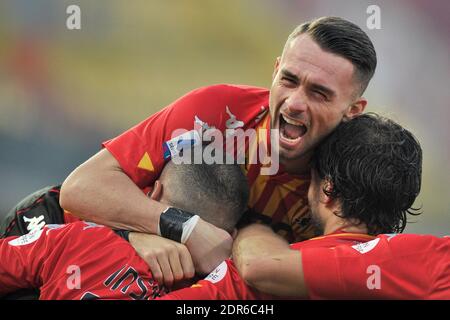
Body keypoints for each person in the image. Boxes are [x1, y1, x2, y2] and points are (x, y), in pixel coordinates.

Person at [57, 16, 378, 276]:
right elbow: (81, 188)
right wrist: (171, 229)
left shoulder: (353, 182)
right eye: (289, 80)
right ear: (275, 69)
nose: (294, 103)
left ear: (353, 110)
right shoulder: (216, 114)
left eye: (319, 93)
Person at [161, 114, 450, 300]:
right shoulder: (433, 264)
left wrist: (251, 228)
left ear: (328, 189)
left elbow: (260, 267)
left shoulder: (250, 283)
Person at [0, 160, 249, 299]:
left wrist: (120, 237)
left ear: (153, 191)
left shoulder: (76, 240)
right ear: (232, 235)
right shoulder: (226, 289)